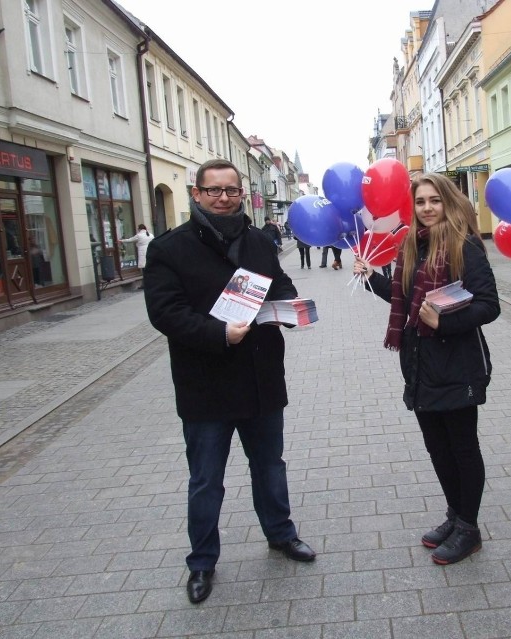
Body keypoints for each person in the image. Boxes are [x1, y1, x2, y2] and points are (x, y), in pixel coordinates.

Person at [143, 159, 316, 606]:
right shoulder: (168, 248)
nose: (223, 197)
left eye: (231, 190)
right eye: (214, 190)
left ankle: (281, 534)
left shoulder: (259, 241)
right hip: (206, 385)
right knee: (206, 480)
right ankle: (201, 562)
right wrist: (217, 333)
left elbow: (280, 284)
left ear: (242, 193)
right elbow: (165, 313)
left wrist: (289, 309)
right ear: (196, 195)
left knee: (270, 466)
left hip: (260, 380)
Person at [353, 172, 500, 565]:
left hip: (458, 363)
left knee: (462, 447)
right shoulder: (410, 246)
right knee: (437, 447)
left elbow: (489, 304)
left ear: (448, 202)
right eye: (421, 202)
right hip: (419, 362)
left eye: (435, 200)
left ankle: (469, 527)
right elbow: (403, 296)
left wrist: (446, 323)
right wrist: (370, 279)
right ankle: (455, 514)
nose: (428, 208)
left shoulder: (465, 245)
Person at [119, 223, 153, 288]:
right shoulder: (150, 235)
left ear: (139, 229)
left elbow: (130, 240)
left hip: (142, 253)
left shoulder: (139, 235)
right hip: (150, 252)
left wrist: (121, 241)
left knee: (144, 270)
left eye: (138, 228)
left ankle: (145, 284)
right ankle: (149, 283)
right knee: (149, 269)